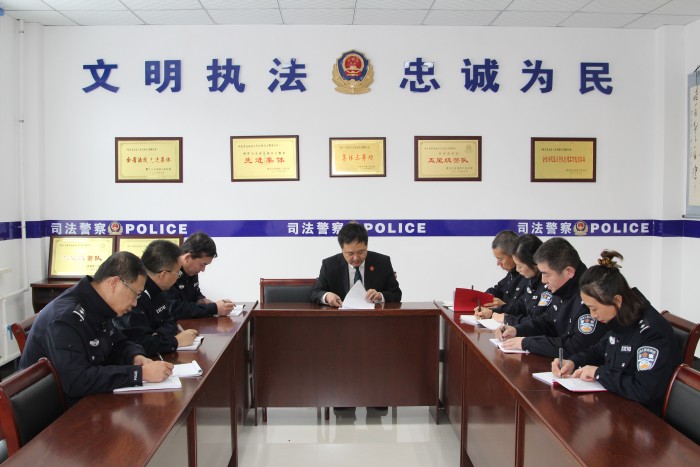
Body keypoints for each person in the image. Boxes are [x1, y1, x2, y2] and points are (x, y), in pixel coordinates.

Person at [19, 251, 173, 406]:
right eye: (135, 294)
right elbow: (76, 381)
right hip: (60, 411)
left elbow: (116, 342)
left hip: (89, 398)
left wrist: (135, 356)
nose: (135, 303)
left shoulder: (97, 303)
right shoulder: (65, 319)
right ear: (114, 283)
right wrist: (139, 374)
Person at [552, 250, 681, 415]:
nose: (593, 315)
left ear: (617, 300)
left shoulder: (651, 331)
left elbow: (643, 390)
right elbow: (599, 350)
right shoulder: (622, 318)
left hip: (643, 417)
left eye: (594, 308)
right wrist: (572, 362)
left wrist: (599, 373)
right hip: (617, 405)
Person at [497, 237, 608, 358]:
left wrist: (526, 343)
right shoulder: (562, 287)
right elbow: (547, 321)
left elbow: (574, 346)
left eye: (546, 274)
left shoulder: (590, 296)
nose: (543, 281)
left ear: (568, 272)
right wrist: (517, 330)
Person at [113, 240, 199, 357]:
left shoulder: (159, 290)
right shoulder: (134, 295)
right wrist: (175, 341)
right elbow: (140, 343)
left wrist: (157, 335)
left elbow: (170, 322)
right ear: (163, 275)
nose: (178, 277)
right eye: (177, 273)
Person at [311, 222, 401, 307]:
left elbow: (396, 294)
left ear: (366, 246)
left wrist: (380, 296)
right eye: (350, 253)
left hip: (373, 315)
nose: (356, 258)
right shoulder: (329, 265)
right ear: (342, 250)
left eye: (360, 252)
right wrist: (327, 296)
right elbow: (316, 293)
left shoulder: (382, 262)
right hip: (341, 315)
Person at [476, 234, 549, 325]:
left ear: (535, 263)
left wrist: (506, 318)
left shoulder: (547, 284)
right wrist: (492, 312)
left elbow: (537, 322)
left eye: (520, 266)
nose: (517, 269)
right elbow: (520, 306)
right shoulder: (531, 279)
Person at [165, 232, 235, 319]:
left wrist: (201, 300)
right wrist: (214, 308)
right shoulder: (169, 272)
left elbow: (195, 293)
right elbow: (174, 309)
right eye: (202, 264)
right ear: (187, 258)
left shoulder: (192, 271)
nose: (203, 270)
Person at [482, 230, 527, 309]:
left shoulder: (527, 276)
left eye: (500, 259)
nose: (498, 263)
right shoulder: (511, 274)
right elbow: (497, 290)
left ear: (513, 255)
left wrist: (504, 307)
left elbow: (525, 310)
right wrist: (481, 297)